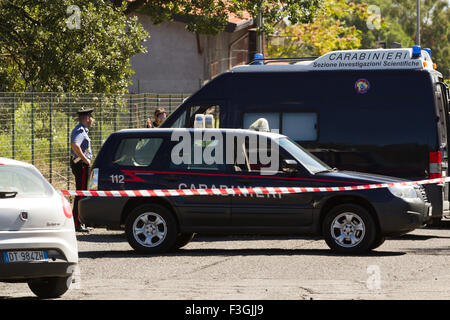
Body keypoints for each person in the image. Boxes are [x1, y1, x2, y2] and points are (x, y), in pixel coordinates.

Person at [70, 107, 94, 233]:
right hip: (81, 166)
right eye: (91, 117)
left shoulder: (83, 130)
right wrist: (86, 160)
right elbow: (75, 145)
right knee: (81, 194)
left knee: (83, 193)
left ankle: (80, 222)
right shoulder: (80, 131)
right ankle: (77, 223)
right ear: (87, 118)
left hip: (82, 165)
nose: (92, 120)